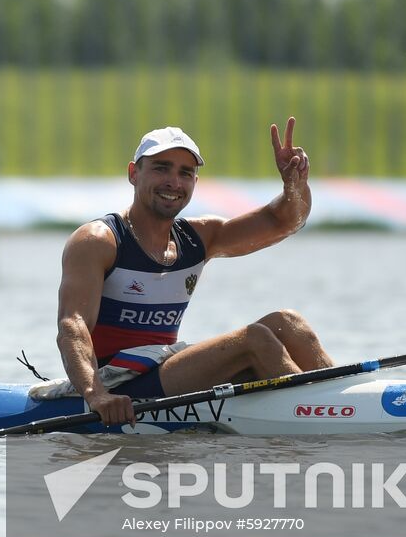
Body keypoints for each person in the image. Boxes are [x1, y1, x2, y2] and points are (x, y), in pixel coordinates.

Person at [55, 118, 332, 425]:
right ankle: (325, 418)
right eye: (161, 168)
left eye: (185, 173)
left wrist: (295, 185)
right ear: (134, 173)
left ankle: (342, 400)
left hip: (162, 367)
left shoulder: (200, 237)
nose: (174, 182)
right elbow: (72, 325)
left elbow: (283, 222)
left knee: (287, 323)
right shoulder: (98, 241)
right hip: (115, 381)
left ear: (194, 183)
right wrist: (96, 395)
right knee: (255, 339)